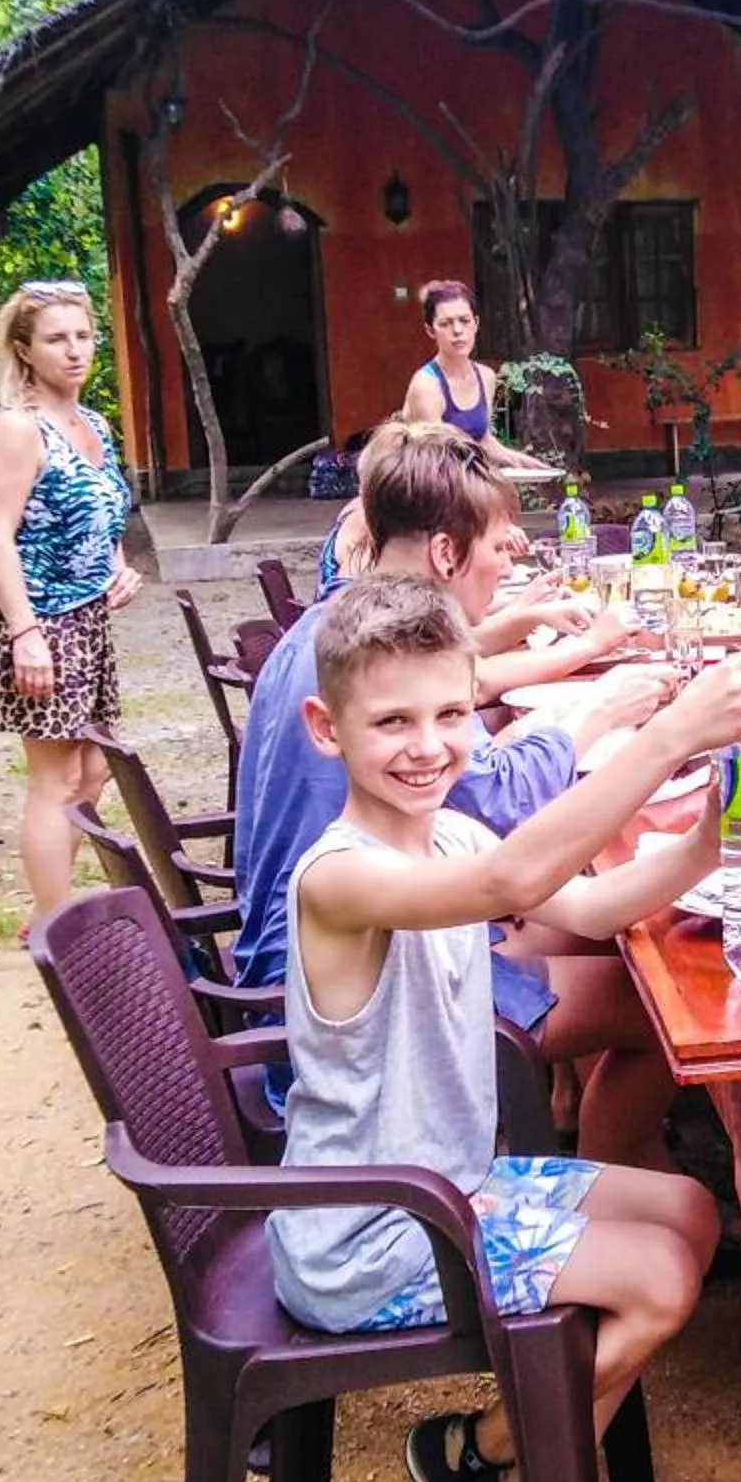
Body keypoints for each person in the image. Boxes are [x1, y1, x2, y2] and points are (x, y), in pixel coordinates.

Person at [278, 572, 741, 1482]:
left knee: (688, 1211)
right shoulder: (341, 878)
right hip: (368, 1233)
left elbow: (594, 906)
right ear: (327, 730)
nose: (429, 746)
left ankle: (507, 1472)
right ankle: (479, 1457)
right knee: (658, 1283)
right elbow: (523, 873)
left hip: (448, 1187)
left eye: (451, 714)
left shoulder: (450, 834)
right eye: (393, 722)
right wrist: (664, 734)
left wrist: (710, 838)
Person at [230, 424, 687, 1165]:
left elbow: (480, 811)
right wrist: (627, 724)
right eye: (501, 548)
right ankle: (614, 1177)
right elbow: (502, 811)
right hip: (345, 998)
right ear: (447, 552)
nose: (505, 567)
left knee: (605, 926)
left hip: (340, 945)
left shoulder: (344, 631)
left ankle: (569, 1115)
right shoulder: (378, 671)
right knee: (651, 998)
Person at [0, 279, 142, 923]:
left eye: (83, 336)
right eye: (55, 339)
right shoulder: (18, 428)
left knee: (94, 771)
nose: (74, 351)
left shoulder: (92, 423)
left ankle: (51, 906)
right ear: (24, 349)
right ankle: (53, 920)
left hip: (89, 621)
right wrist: (25, 632)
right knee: (54, 779)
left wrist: (118, 570)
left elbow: (103, 516)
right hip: (42, 623)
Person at [398, 280, 499, 442]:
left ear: (476, 324)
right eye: (445, 324)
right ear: (430, 331)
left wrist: (537, 466)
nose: (458, 330)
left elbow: (485, 443)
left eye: (465, 321)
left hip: (473, 466)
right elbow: (438, 459)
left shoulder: (486, 377)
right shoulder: (426, 386)